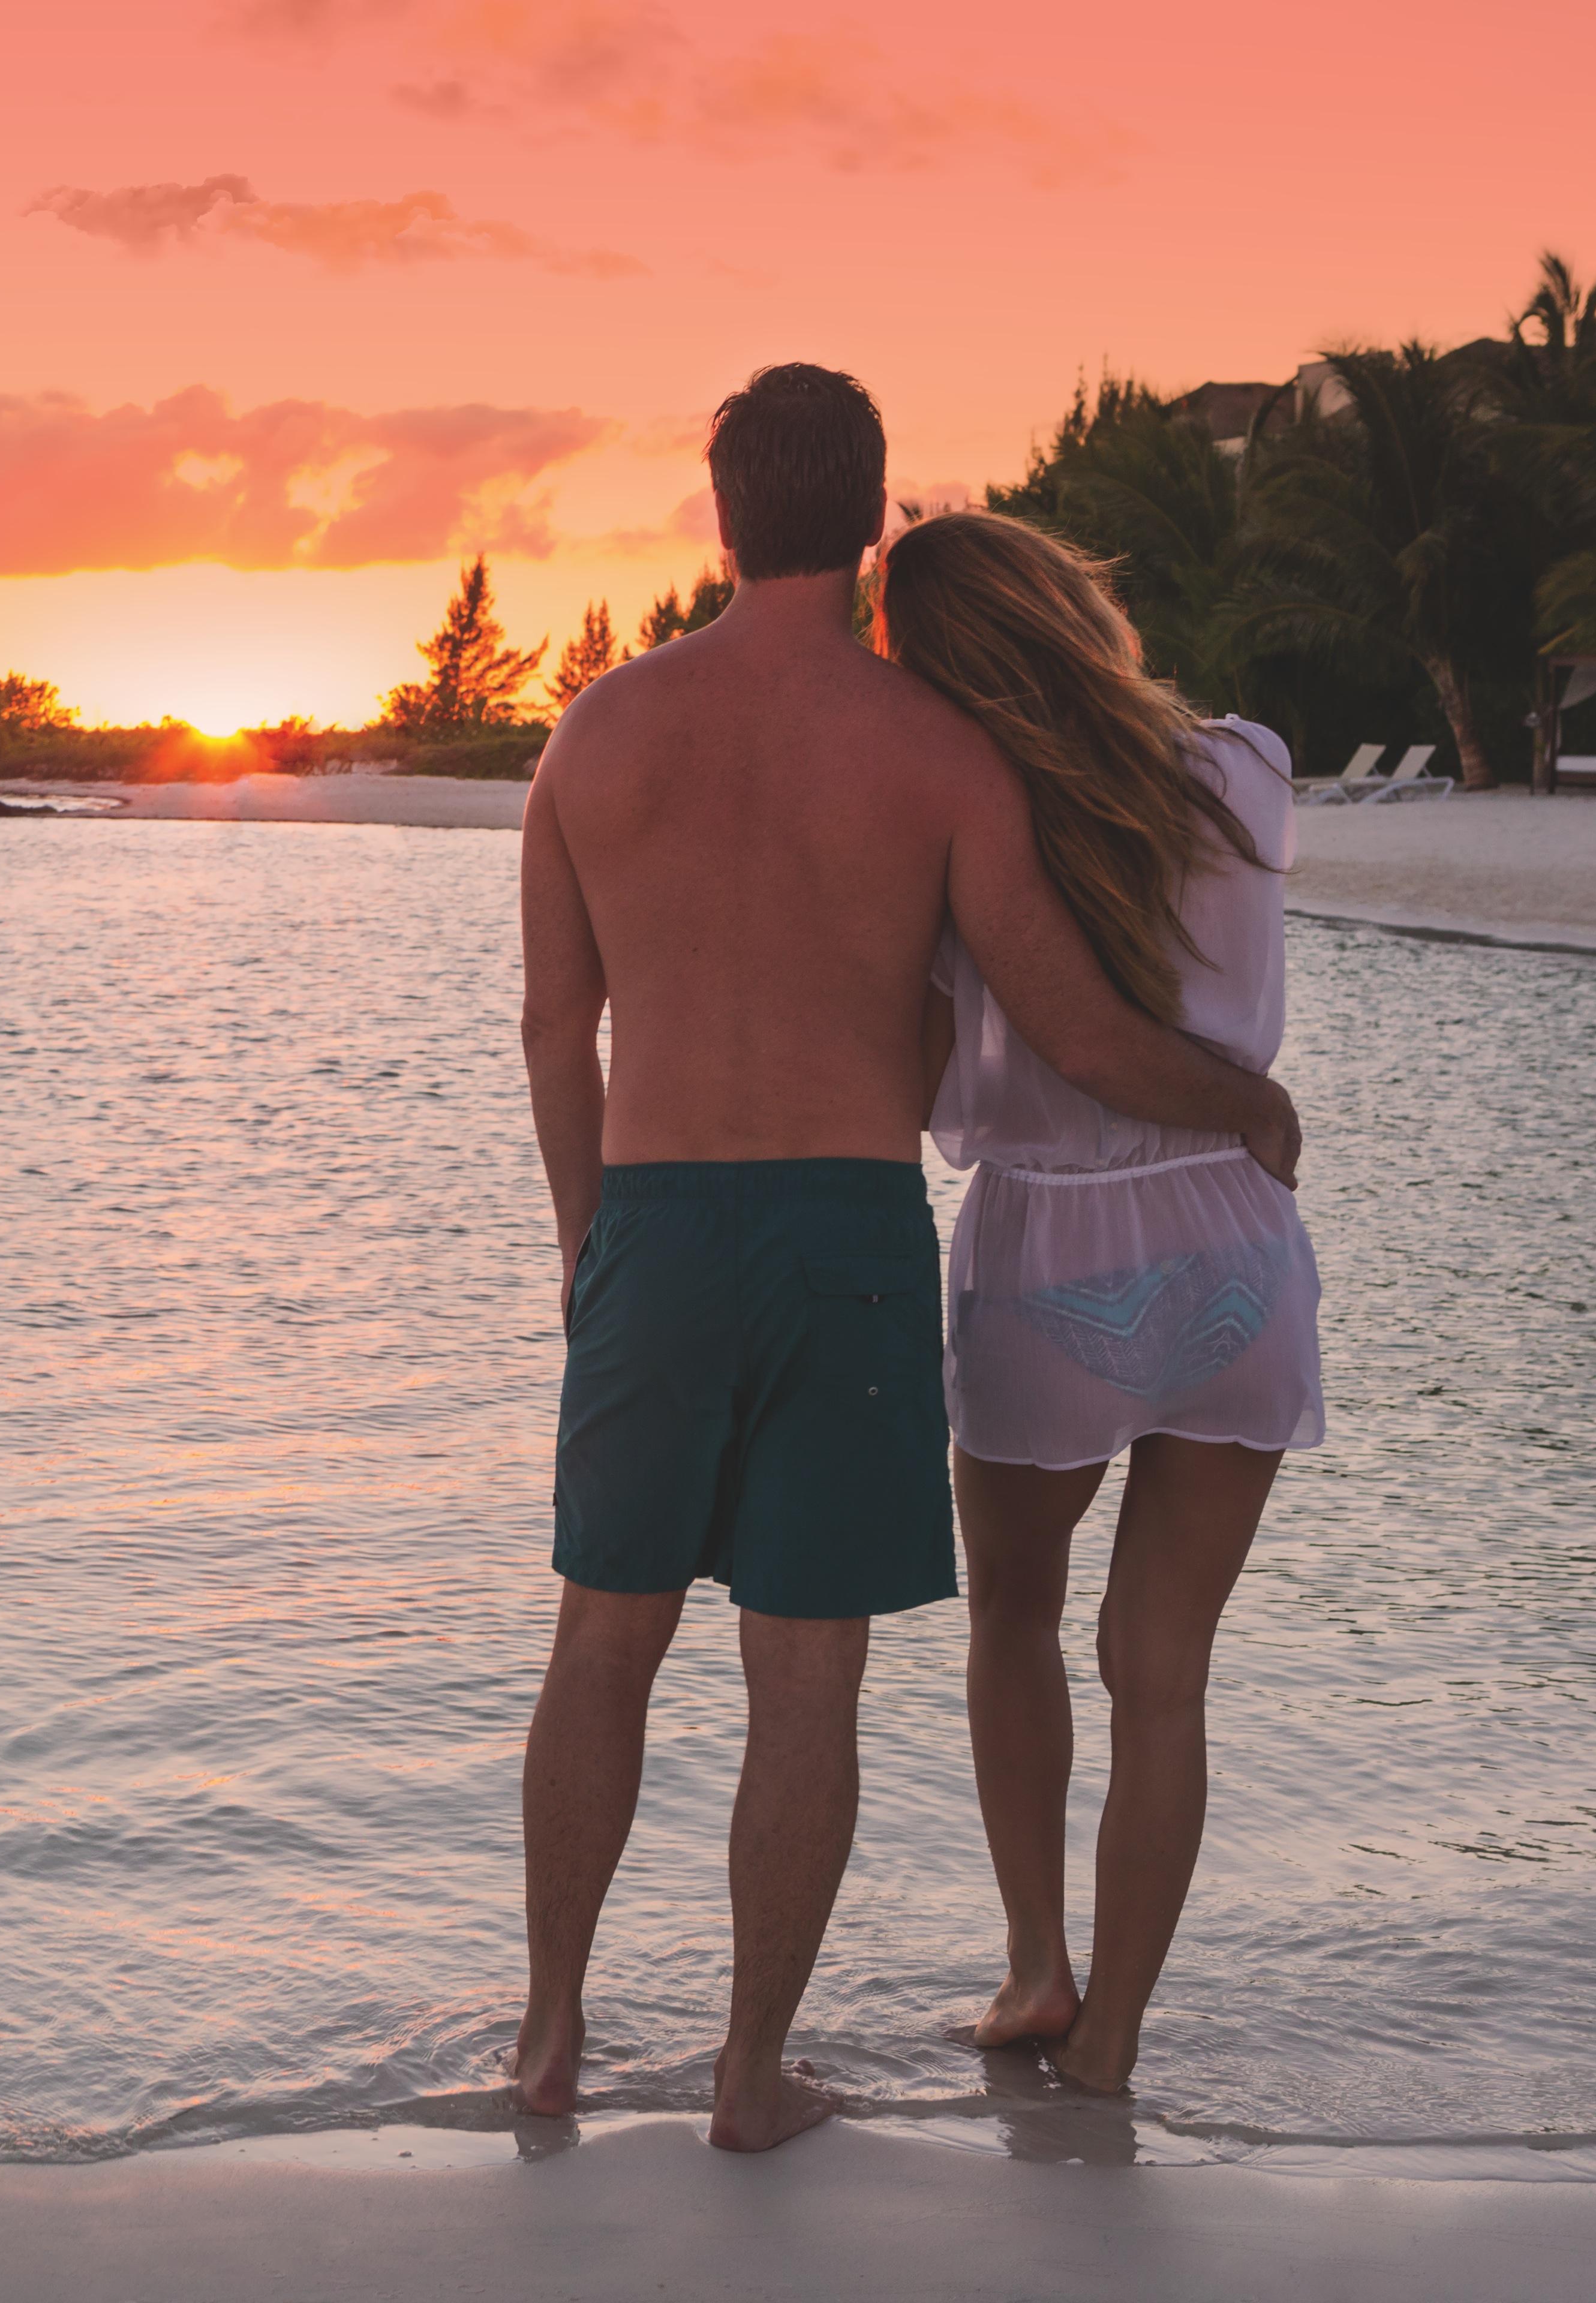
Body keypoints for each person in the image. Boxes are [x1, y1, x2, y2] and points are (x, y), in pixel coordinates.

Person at [510, 365, 1302, 2151]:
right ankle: (745, 2072)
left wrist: (590, 1254)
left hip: (649, 1220)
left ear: (720, 521)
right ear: (872, 524)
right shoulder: (936, 752)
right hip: (846, 1236)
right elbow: (1075, 1032)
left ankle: (551, 2034)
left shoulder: (595, 735)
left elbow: (558, 1034)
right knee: (806, 1674)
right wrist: (1243, 1106)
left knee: (602, 1644)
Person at [874, 509, 1326, 2096]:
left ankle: (1034, 1975)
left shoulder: (960, 820)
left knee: (1015, 1619)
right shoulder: (1253, 765)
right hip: (1231, 1240)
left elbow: (935, 1065)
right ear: (1076, 599)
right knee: (1165, 1665)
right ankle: (1119, 2039)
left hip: (1045, 1251)